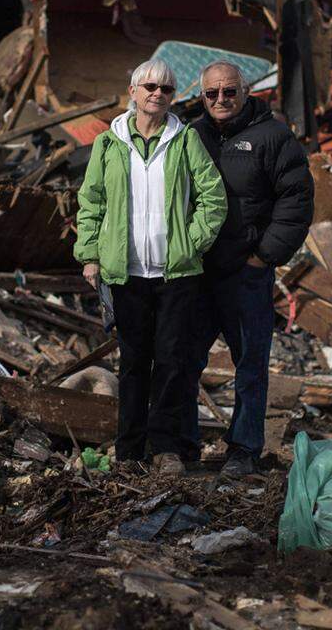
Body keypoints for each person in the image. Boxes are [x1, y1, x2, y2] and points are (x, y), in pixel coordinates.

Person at [74, 59, 227, 475]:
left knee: (173, 362)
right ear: (133, 92)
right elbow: (92, 201)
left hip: (175, 274)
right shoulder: (109, 143)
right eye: (150, 87)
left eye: (167, 89)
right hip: (126, 275)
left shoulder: (184, 139)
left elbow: (213, 198)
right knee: (135, 363)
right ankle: (128, 451)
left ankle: (165, 448)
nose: (158, 94)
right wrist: (89, 254)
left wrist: (190, 243)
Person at [188, 60, 314, 477]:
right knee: (183, 358)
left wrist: (264, 256)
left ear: (245, 92)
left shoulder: (274, 136)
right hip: (198, 271)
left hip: (246, 273)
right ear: (202, 96)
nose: (220, 100)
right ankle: (183, 443)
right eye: (212, 93)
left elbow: (295, 201)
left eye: (229, 91)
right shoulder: (191, 135)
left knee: (250, 365)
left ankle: (243, 449)